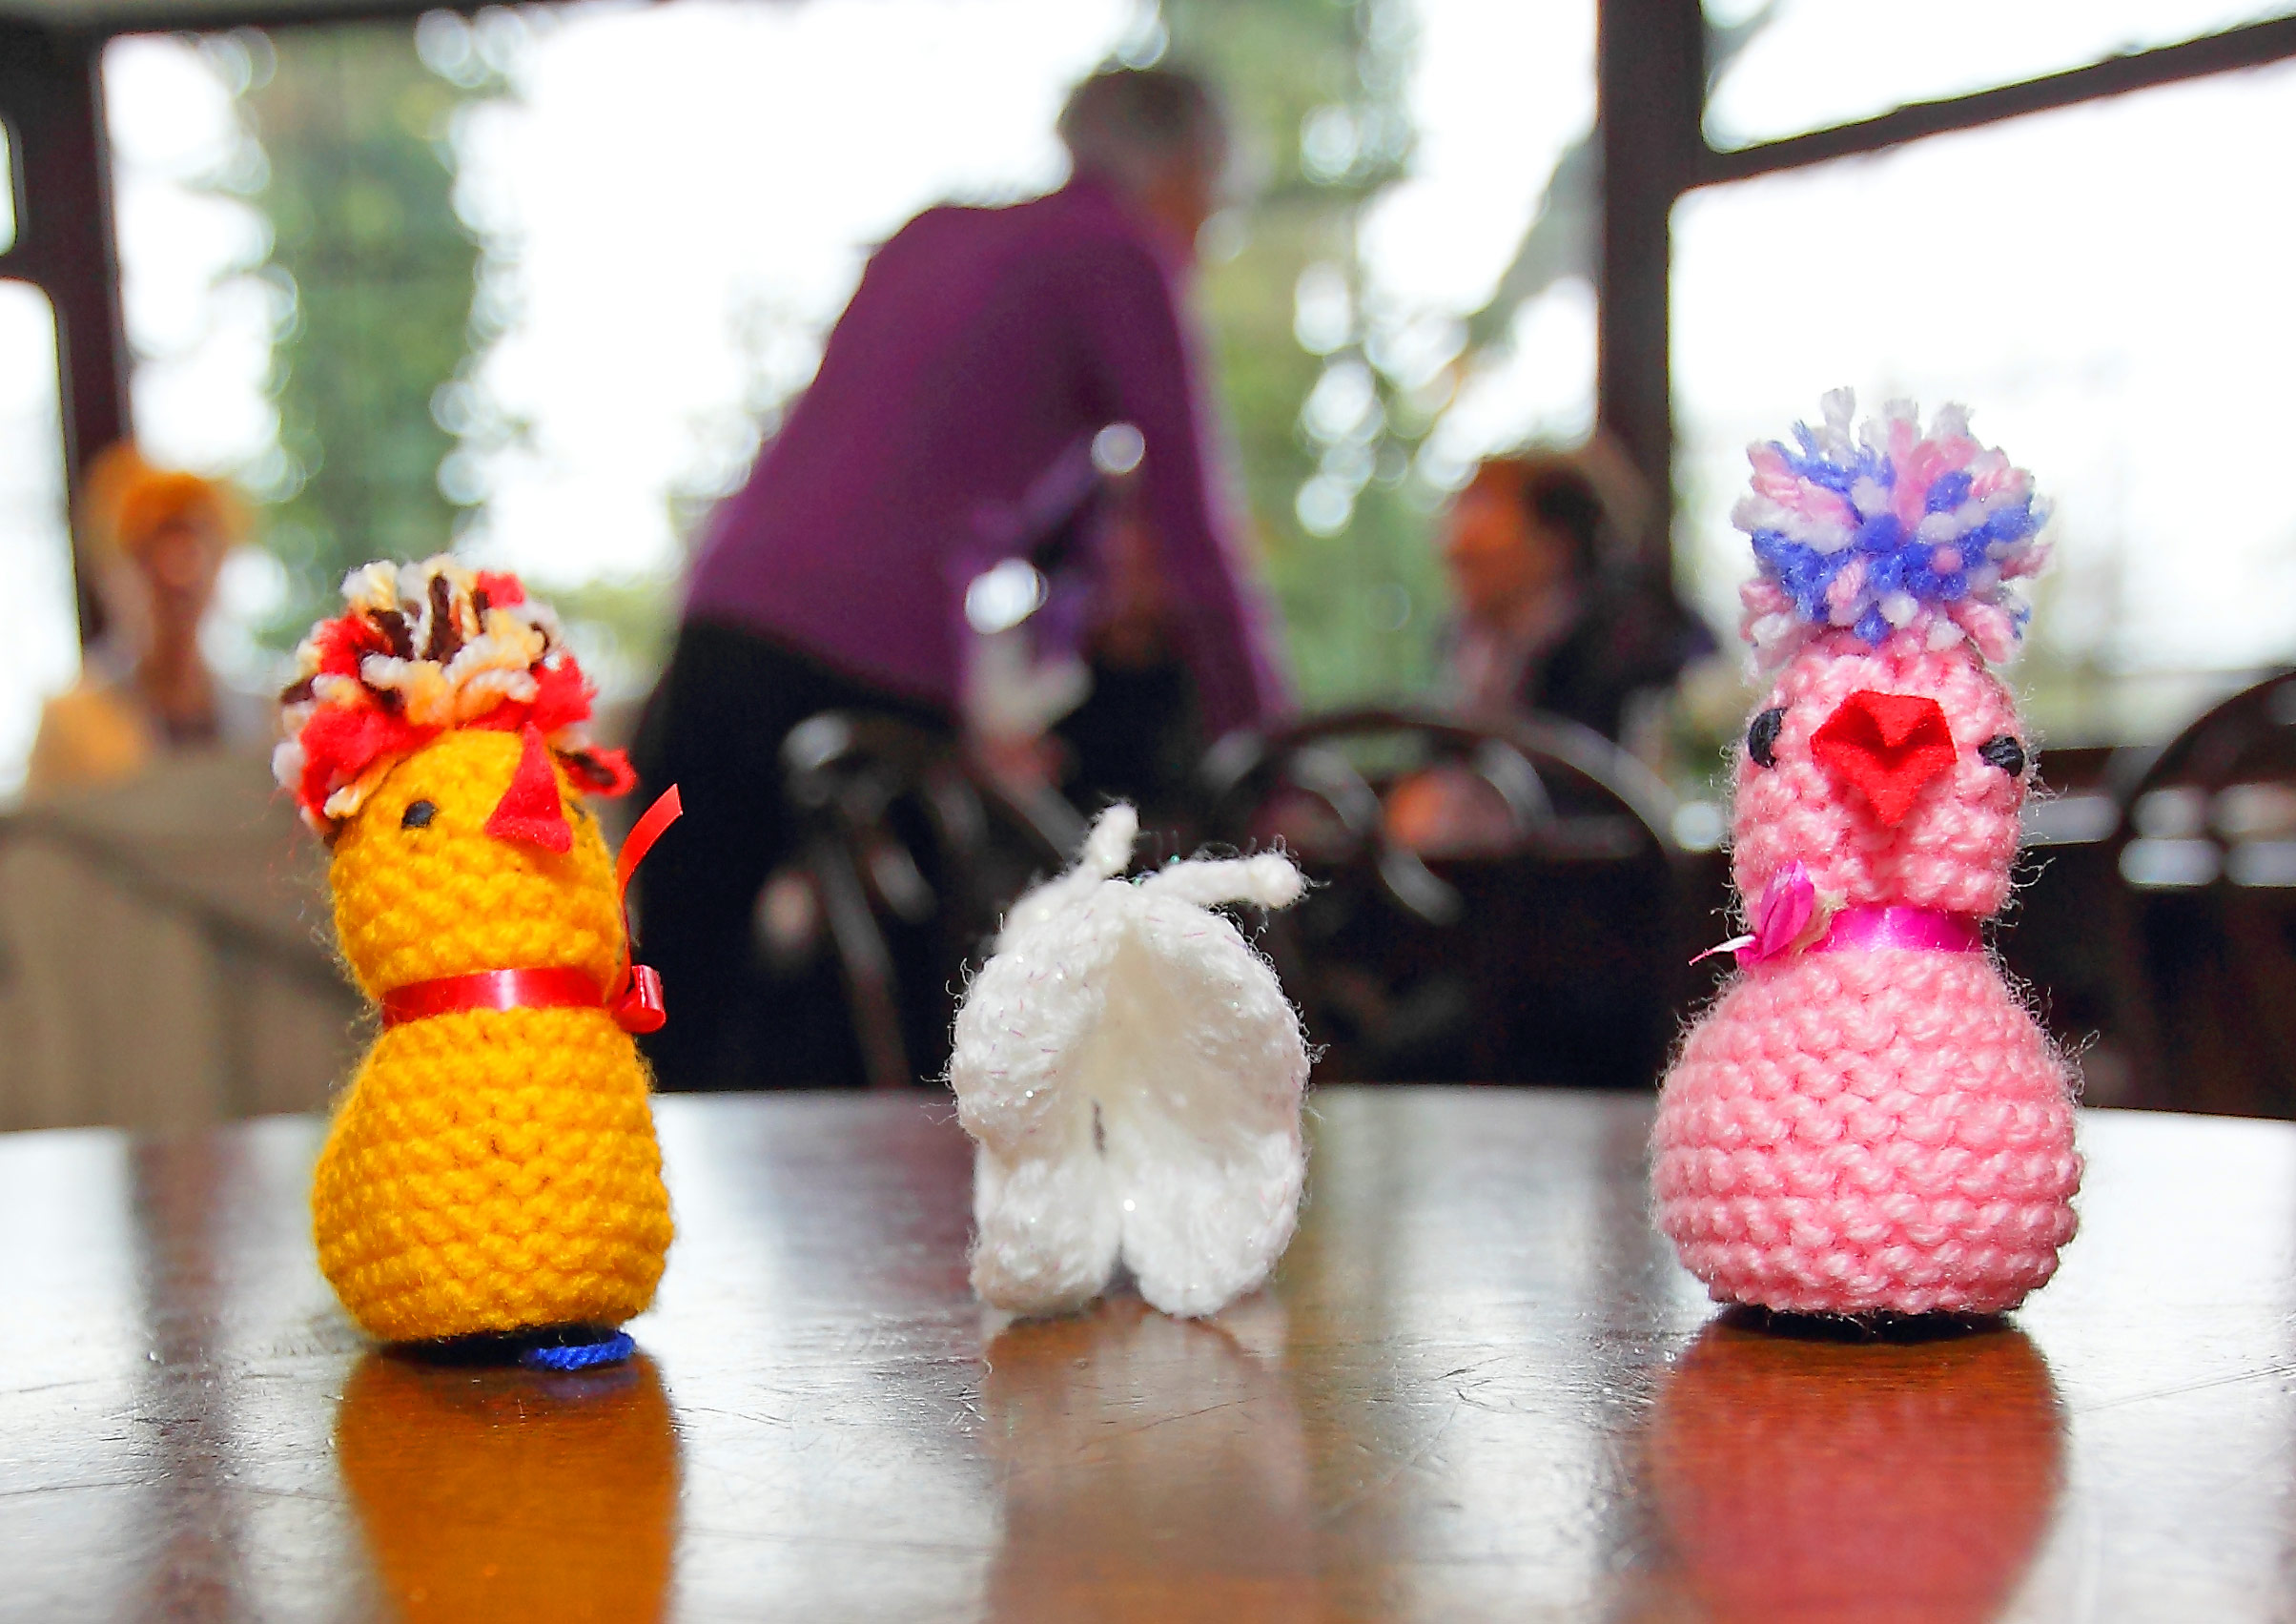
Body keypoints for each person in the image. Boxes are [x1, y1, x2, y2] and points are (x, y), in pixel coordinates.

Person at [633, 65, 1291, 1090]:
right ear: (1187, 172)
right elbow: (1194, 527)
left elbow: (927, 457)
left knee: (674, 989)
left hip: (724, 613)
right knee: (912, 1024)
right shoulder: (1122, 254)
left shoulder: (934, 233)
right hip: (871, 655)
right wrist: (1275, 757)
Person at [1440, 442, 1712, 745]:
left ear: (1555, 541)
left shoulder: (1644, 643)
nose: (1454, 539)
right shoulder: (1466, 656)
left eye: (1483, 502)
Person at [27, 444, 252, 795]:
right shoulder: (72, 728)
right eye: (148, 551)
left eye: (193, 546)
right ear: (111, 571)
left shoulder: (261, 721)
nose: (177, 575)